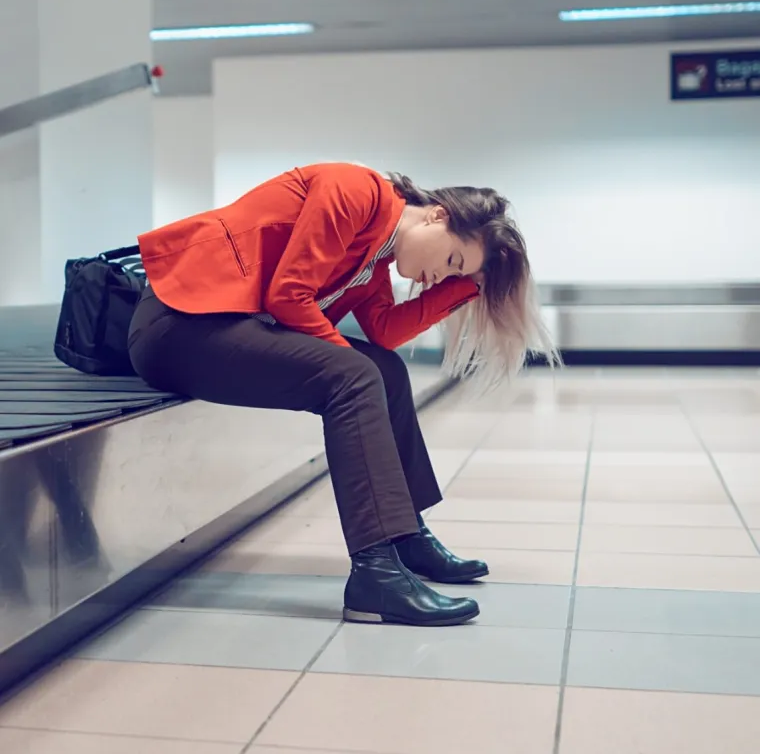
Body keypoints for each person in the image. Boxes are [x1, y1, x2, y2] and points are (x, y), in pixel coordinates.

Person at [128, 162, 557, 627]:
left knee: (384, 369)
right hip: (178, 325)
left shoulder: (375, 259)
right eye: (452, 261)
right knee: (355, 374)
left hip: (225, 328)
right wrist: (352, 365)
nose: (441, 275)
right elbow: (289, 295)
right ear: (436, 216)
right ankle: (375, 574)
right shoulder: (353, 191)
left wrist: (465, 289)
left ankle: (406, 538)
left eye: (456, 273)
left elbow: (386, 333)